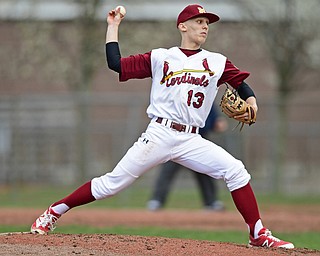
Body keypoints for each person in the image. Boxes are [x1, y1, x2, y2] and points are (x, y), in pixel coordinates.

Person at [31, 4, 294, 249]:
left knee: (235, 170)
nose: (205, 27)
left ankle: (257, 233)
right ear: (182, 26)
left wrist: (252, 101)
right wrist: (113, 25)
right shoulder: (161, 58)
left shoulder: (216, 61)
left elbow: (241, 84)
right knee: (111, 185)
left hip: (192, 139)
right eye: (199, 21)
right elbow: (116, 64)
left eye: (207, 23)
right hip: (159, 134)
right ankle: (54, 211)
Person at [147, 105, 227, 211]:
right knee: (167, 172)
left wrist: (217, 121)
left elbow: (215, 120)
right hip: (177, 138)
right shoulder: (181, 92)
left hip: (199, 139)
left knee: (205, 172)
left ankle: (211, 202)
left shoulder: (206, 97)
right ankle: (157, 200)